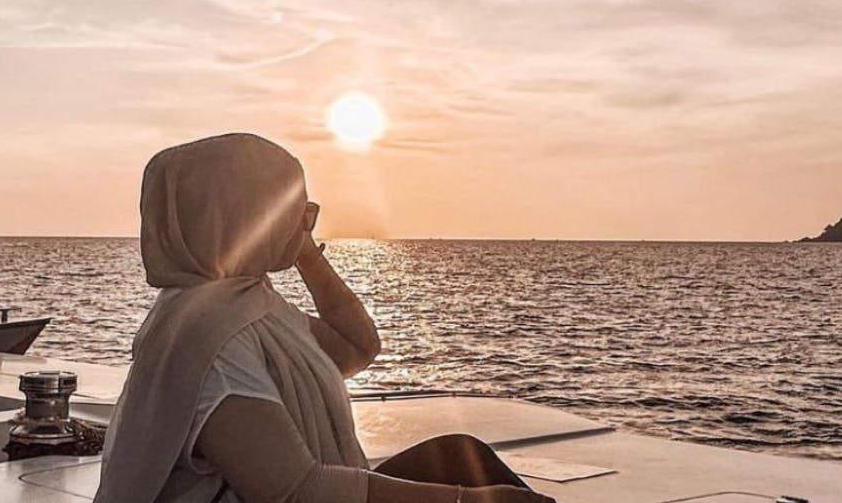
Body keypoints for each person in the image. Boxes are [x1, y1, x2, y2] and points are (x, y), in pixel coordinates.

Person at [96, 134, 554, 503]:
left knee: (458, 455)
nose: (305, 221)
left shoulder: (244, 303)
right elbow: (296, 491)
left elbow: (356, 348)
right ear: (240, 219)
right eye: (295, 212)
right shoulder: (210, 342)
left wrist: (305, 251)